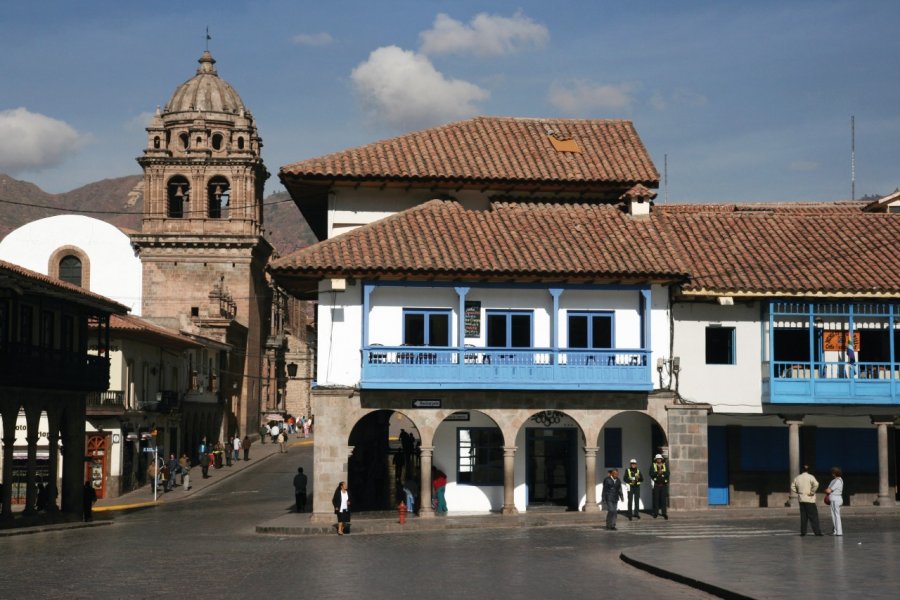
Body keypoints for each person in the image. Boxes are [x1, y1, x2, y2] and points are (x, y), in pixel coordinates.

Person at [791, 464, 823, 536]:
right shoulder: (811, 477)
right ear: (808, 470)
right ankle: (817, 532)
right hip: (810, 499)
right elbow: (816, 484)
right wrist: (812, 492)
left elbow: (792, 486)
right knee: (813, 516)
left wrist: (798, 491)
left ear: (801, 470)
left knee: (803, 516)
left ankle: (803, 532)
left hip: (801, 499)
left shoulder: (798, 477)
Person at [824, 466, 844, 536]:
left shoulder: (838, 481)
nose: (832, 474)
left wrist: (827, 490)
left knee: (836, 515)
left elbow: (829, 490)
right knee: (834, 515)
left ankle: (839, 531)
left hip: (836, 498)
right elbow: (828, 489)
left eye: (833, 472)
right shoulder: (833, 481)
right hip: (833, 499)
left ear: (835, 473)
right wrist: (827, 490)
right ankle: (835, 530)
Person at [650, 454, 669, 519]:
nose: (659, 460)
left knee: (663, 499)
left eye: (660, 459)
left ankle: (664, 513)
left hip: (663, 485)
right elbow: (651, 473)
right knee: (656, 499)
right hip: (656, 485)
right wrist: (658, 473)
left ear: (661, 459)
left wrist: (662, 474)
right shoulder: (653, 465)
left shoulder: (665, 465)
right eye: (658, 459)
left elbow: (668, 473)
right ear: (656, 459)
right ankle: (656, 513)